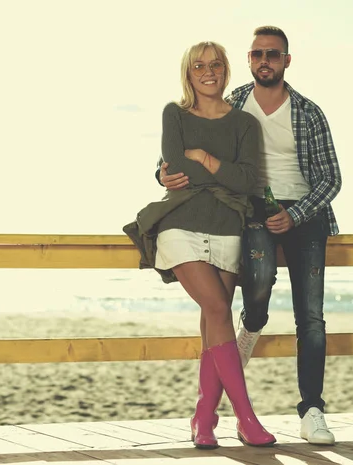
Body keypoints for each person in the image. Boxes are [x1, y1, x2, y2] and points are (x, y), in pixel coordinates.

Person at [158, 26, 342, 446]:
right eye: (257, 53)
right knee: (255, 286)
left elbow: (331, 178)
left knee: (310, 314)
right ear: (248, 59)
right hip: (248, 209)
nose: (265, 60)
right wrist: (163, 172)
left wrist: (294, 214)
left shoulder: (308, 112)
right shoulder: (232, 102)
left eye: (273, 54)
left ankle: (311, 409)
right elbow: (174, 156)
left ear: (286, 61)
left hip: (304, 211)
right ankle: (252, 327)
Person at [124, 41, 276, 449]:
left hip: (228, 225)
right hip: (181, 223)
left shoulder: (245, 124)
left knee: (215, 321)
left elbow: (248, 182)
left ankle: (204, 419)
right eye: (198, 66)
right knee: (218, 308)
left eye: (215, 65)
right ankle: (246, 419)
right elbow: (175, 166)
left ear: (226, 70)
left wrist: (205, 160)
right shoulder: (173, 113)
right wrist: (187, 169)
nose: (207, 71)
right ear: (188, 73)